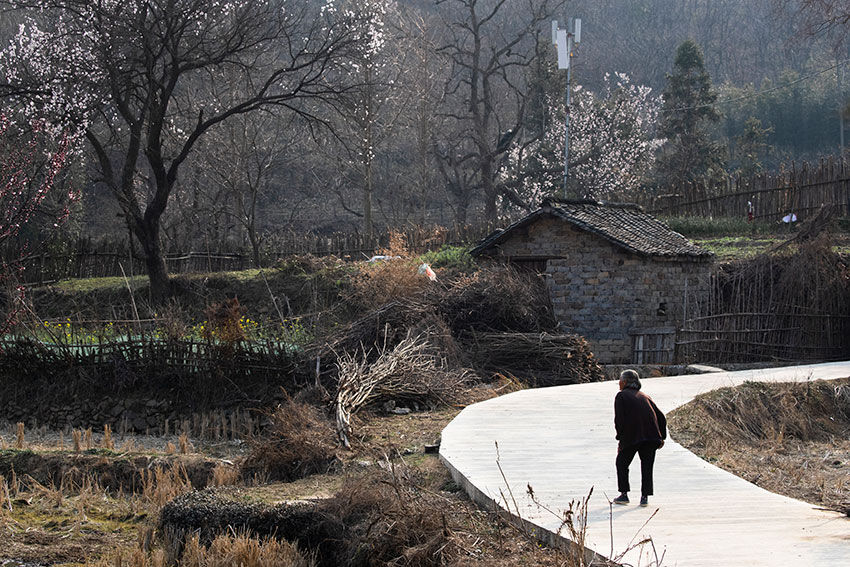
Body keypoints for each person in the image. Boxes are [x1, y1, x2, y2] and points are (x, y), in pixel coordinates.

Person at [613, 369, 667, 507]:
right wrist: (662, 437)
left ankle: (624, 495)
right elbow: (661, 417)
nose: (619, 383)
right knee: (647, 466)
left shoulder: (621, 396)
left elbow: (620, 419)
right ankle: (644, 497)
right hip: (651, 437)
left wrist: (620, 437)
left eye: (620, 380)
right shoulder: (645, 396)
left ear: (624, 382)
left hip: (633, 436)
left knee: (622, 463)